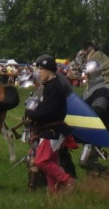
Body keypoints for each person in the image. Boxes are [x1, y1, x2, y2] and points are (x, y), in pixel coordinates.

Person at [24, 54, 75, 194]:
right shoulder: (50, 86)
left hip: (53, 130)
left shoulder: (54, 87)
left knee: (41, 161)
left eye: (41, 69)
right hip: (52, 129)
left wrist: (31, 116)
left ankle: (68, 181)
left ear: (49, 70)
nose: (39, 72)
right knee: (51, 161)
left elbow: (48, 112)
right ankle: (53, 193)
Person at [79, 60, 109, 177]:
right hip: (88, 130)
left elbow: (97, 111)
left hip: (98, 131)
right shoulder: (88, 90)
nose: (83, 76)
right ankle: (94, 186)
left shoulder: (102, 91)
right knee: (90, 162)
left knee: (85, 161)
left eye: (86, 74)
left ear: (91, 74)